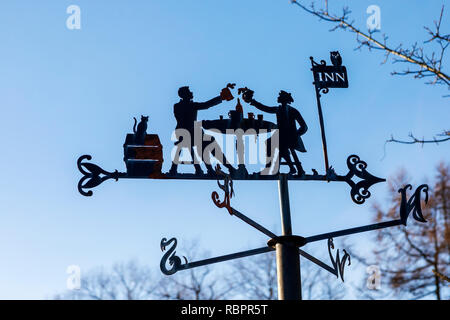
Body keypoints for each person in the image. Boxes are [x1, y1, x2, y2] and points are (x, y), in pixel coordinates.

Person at [169, 85, 236, 176]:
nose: (191, 92)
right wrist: (221, 97)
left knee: (206, 143)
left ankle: (214, 169)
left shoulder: (178, 106)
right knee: (209, 143)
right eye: (189, 91)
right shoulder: (190, 105)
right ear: (185, 94)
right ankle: (223, 168)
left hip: (186, 133)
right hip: (187, 134)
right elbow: (206, 105)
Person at [242, 89, 307, 175]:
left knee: (278, 145)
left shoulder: (293, 111)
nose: (277, 98)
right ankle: (285, 167)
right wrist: (253, 101)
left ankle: (273, 168)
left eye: (279, 97)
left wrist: (295, 135)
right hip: (281, 136)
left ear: (284, 99)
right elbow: (265, 108)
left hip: (289, 137)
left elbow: (304, 127)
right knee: (272, 143)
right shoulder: (278, 109)